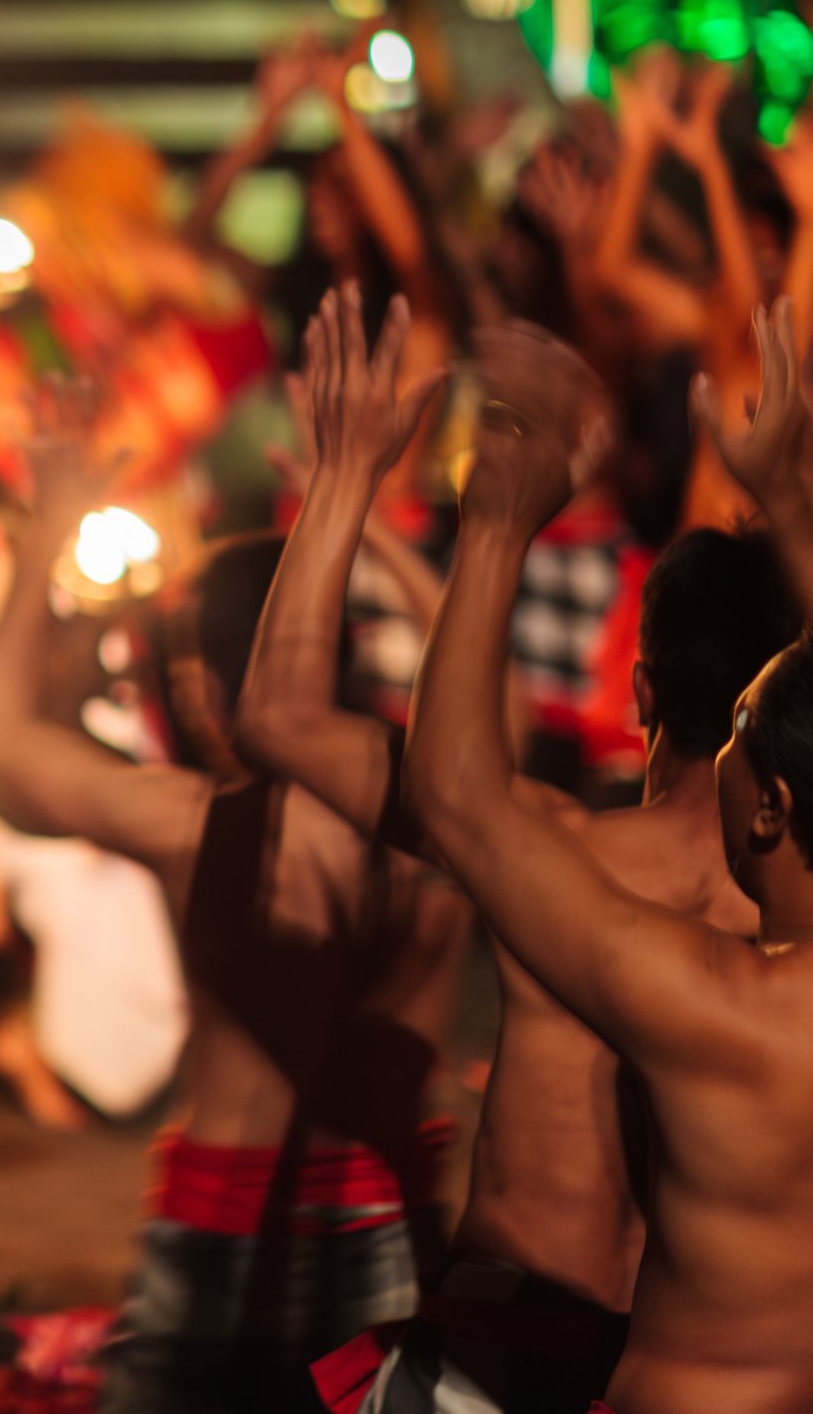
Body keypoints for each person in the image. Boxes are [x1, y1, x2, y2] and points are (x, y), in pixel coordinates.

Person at [245, 291, 797, 1413]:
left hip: (502, 1353)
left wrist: (350, 473)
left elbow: (279, 717)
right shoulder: (786, 933)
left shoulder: (552, 858)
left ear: (640, 691)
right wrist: (788, 502)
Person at [0, 392, 471, 1414]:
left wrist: (45, 524)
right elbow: (489, 700)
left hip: (225, 1212)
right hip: (388, 1210)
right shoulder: (449, 808)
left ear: (215, 678)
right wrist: (363, 521)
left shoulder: (198, 824)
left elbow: (1, 732)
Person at [403, 314, 813, 1414]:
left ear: (770, 805)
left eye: (734, 738)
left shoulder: (716, 1008)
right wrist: (794, 523)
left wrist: (494, 522)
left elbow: (456, 798)